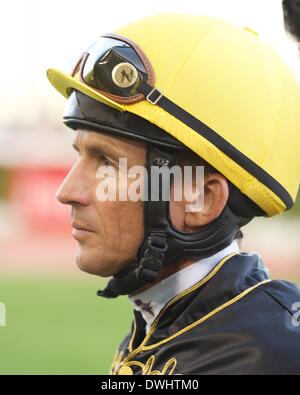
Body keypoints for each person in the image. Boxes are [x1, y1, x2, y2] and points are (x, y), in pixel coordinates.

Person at [47, 14, 300, 375]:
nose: (67, 192)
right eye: (80, 154)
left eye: (107, 162)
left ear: (202, 199)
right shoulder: (168, 323)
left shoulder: (270, 355)